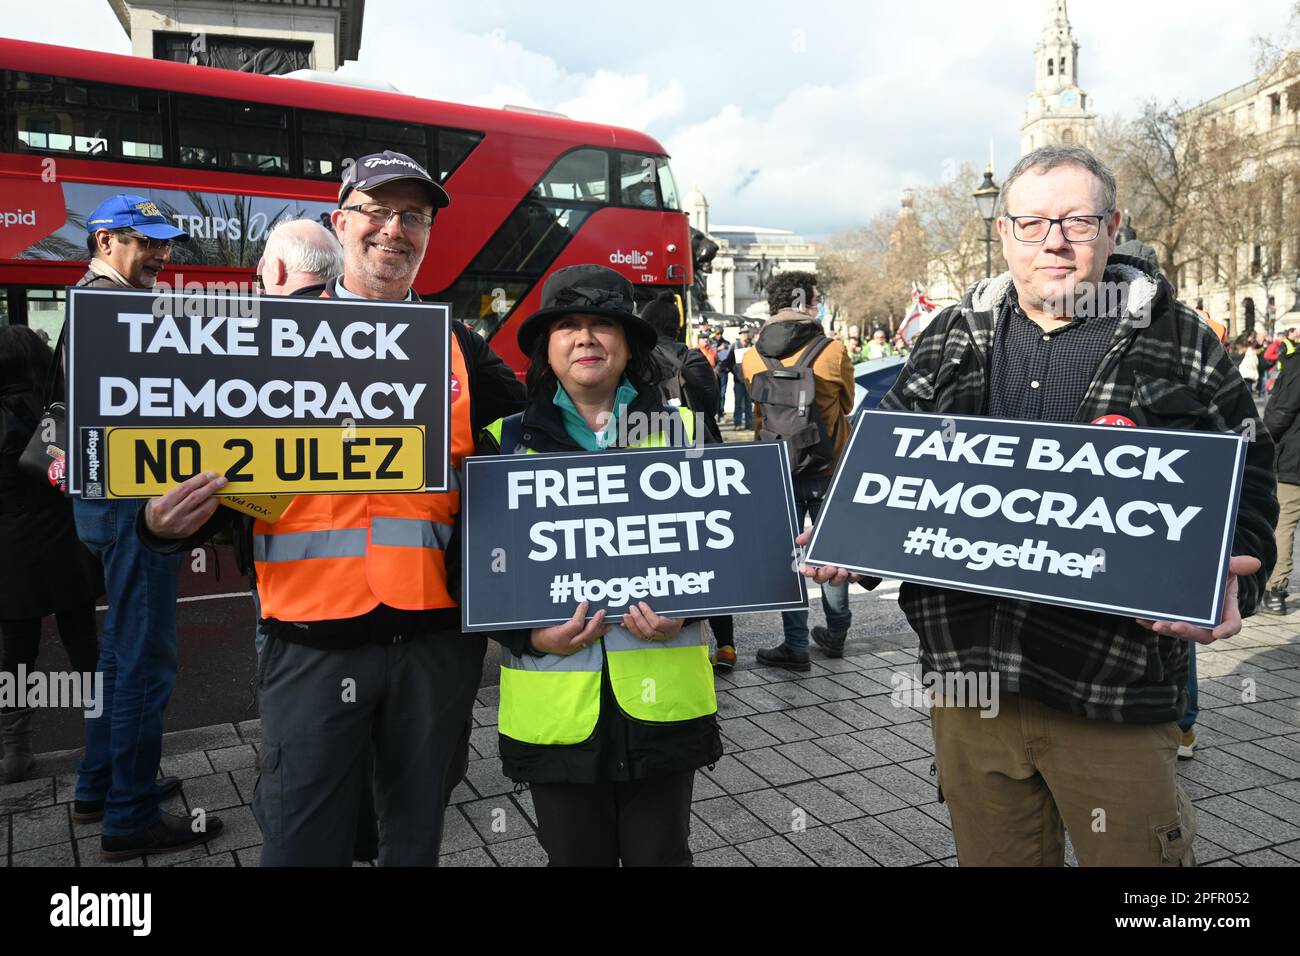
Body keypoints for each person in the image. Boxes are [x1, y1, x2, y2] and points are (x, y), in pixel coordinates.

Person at [801, 145, 1277, 866]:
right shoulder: (954, 336)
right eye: (1031, 223)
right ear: (1005, 234)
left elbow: (1249, 473)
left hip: (1112, 689)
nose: (1053, 240)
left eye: (1076, 221)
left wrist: (1240, 565)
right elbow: (882, 454)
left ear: (1113, 227)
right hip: (971, 683)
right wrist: (842, 534)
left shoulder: (1180, 341)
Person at [137, 150, 526, 866]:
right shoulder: (267, 339)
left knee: (413, 843)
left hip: (436, 646)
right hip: (309, 644)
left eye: (413, 216)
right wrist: (160, 527)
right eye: (376, 212)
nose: (394, 230)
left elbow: (536, 449)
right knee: (300, 844)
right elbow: (217, 477)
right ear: (339, 222)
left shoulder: (463, 348)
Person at [480, 264, 722, 866]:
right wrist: (528, 635)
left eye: (603, 325)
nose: (586, 338)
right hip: (558, 721)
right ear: (547, 347)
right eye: (568, 325)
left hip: (663, 713)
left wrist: (686, 610)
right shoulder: (503, 443)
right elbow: (475, 570)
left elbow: (730, 557)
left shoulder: (687, 432)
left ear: (629, 344)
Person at [70, 195, 211, 862]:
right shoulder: (114, 309)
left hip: (103, 501)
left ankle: (98, 783)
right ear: (104, 241)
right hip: (133, 506)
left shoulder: (86, 301)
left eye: (165, 243)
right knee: (145, 665)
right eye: (145, 242)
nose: (162, 255)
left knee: (117, 652)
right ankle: (128, 815)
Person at [0, 327, 102, 782]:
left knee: (16, 653)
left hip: (9, 551)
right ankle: (102, 744)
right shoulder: (56, 411)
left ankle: (14, 750)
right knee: (84, 645)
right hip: (64, 543)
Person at [742, 271, 855, 670]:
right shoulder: (832, 349)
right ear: (806, 302)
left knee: (793, 558)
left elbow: (758, 416)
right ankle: (837, 633)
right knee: (832, 552)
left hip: (778, 472)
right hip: (828, 468)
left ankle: (795, 646)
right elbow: (846, 404)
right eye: (817, 298)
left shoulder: (752, 356)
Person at [639, 294, 735, 668]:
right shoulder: (690, 355)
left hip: (651, 457)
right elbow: (709, 406)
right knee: (707, 547)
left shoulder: (638, 359)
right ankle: (725, 645)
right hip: (697, 451)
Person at [1262, 340, 1300, 616]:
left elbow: (1281, 413)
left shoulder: (1297, 365)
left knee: (1284, 522)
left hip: (1293, 460)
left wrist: (1263, 442)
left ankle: (1275, 590)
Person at [731, 328, 755, 431]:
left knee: (748, 403)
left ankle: (749, 423)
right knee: (738, 403)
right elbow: (728, 361)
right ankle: (737, 423)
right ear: (740, 335)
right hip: (739, 381)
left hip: (749, 380)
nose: (745, 336)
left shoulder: (752, 346)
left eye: (746, 333)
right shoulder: (735, 347)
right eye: (743, 334)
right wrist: (735, 372)